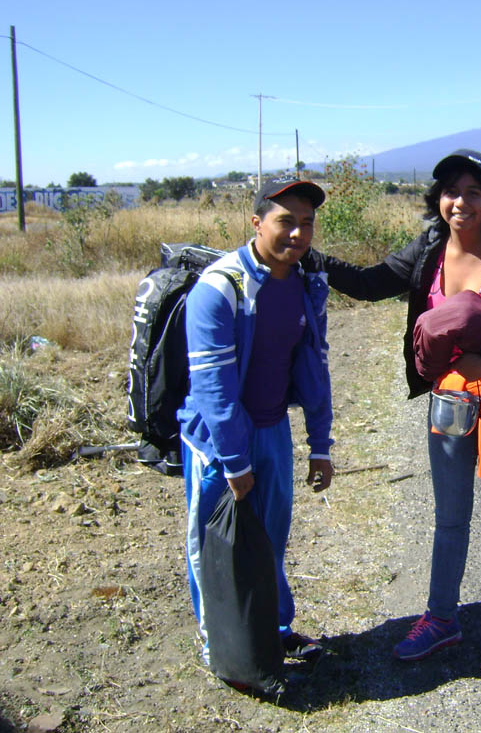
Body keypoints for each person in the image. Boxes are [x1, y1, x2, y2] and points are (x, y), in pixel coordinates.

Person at [303, 149, 481, 673]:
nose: (460, 202)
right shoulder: (428, 250)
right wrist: (312, 257)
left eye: (472, 192)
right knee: (449, 519)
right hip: (448, 406)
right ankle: (441, 618)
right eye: (450, 191)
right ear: (437, 200)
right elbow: (374, 283)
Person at [180, 179, 335, 665]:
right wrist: (233, 459)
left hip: (273, 432)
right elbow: (213, 389)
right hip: (219, 441)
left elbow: (312, 366)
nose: (298, 234)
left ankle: (274, 626)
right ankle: (219, 641)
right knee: (216, 543)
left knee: (270, 536)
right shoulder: (220, 287)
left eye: (306, 223)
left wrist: (320, 444)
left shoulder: (306, 284)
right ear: (256, 223)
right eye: (285, 221)